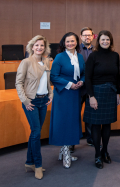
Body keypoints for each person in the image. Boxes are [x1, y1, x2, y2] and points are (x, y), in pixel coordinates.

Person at [15, 35, 53, 179]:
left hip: (43, 101)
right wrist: (24, 100)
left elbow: (47, 82)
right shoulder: (26, 62)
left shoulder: (47, 61)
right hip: (30, 102)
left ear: (45, 47)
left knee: (34, 133)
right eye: (36, 45)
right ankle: (38, 165)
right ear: (32, 47)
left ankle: (29, 162)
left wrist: (51, 94)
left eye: (42, 45)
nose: (39, 48)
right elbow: (18, 83)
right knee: (36, 133)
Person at [83, 30, 120, 169]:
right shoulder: (93, 56)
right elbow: (88, 78)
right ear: (98, 41)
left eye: (108, 40)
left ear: (111, 41)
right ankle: (97, 154)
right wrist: (91, 96)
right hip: (96, 92)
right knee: (96, 125)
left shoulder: (115, 55)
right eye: (103, 39)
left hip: (110, 93)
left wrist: (117, 93)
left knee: (107, 124)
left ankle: (105, 151)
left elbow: (117, 77)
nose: (105, 42)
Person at [49, 32, 85, 169]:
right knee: (64, 121)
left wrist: (82, 81)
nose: (70, 44)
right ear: (63, 43)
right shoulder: (59, 57)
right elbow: (54, 76)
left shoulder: (80, 57)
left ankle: (63, 152)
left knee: (72, 121)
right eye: (67, 41)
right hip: (63, 93)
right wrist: (70, 84)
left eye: (73, 41)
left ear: (77, 42)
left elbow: (84, 73)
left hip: (75, 94)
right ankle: (66, 153)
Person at [69, 27, 95, 153]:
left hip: (91, 88)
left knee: (90, 115)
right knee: (75, 115)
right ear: (81, 37)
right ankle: (72, 141)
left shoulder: (96, 50)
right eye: (84, 35)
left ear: (93, 36)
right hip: (77, 88)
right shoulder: (75, 50)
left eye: (89, 35)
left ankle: (90, 139)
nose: (87, 37)